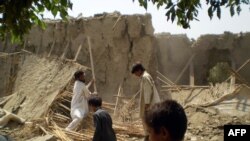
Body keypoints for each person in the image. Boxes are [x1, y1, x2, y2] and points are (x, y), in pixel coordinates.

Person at [131, 62, 161, 139]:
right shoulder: (145, 76)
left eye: (135, 72)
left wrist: (147, 105)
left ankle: (149, 137)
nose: (135, 75)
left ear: (139, 70)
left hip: (150, 105)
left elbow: (148, 92)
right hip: (151, 105)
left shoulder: (145, 77)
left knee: (148, 122)